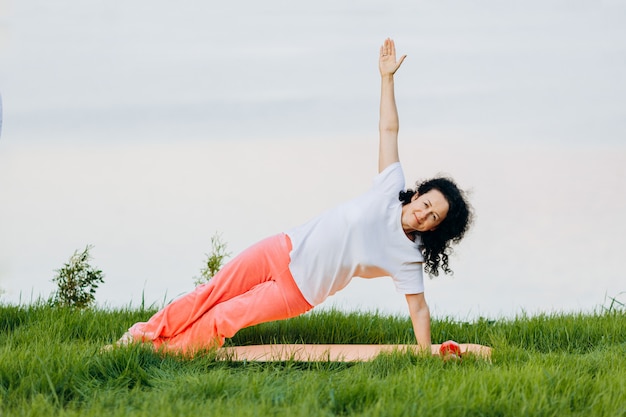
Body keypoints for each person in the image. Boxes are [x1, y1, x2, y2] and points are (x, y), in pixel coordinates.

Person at [115, 38, 473, 356]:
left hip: (298, 291)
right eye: (426, 205)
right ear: (418, 195)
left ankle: (163, 354)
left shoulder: (407, 258)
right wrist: (387, 79)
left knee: (224, 318)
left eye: (434, 219)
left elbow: (419, 309)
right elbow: (388, 128)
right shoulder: (388, 189)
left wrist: (425, 353)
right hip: (282, 248)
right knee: (209, 294)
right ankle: (138, 339)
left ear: (436, 229)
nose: (424, 216)